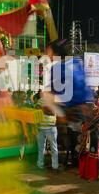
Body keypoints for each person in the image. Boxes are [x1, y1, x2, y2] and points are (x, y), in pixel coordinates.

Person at [44, 39, 93, 168]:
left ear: (55, 53)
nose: (47, 57)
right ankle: (77, 158)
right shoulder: (76, 62)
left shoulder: (58, 67)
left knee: (46, 96)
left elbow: (54, 90)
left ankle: (75, 158)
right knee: (76, 138)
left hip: (72, 109)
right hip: (83, 107)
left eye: (48, 53)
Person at [35, 90, 59, 173]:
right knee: (40, 148)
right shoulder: (41, 100)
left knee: (54, 148)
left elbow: (53, 112)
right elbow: (36, 108)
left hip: (51, 128)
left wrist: (43, 109)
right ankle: (39, 165)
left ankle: (55, 167)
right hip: (40, 128)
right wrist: (45, 109)